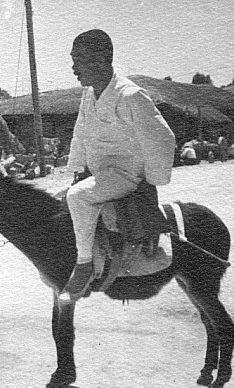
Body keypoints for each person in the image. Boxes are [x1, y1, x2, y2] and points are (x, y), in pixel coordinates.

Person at [60, 29, 175, 302]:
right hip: (101, 173)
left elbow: (162, 138)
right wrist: (77, 169)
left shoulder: (130, 95)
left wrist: (150, 182)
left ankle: (85, 265)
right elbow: (81, 133)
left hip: (126, 176)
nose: (74, 68)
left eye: (79, 60)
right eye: (73, 60)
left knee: (77, 198)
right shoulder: (89, 95)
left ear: (102, 60)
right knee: (60, 200)